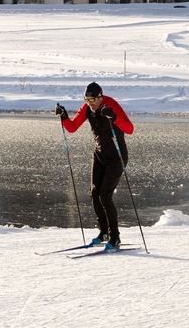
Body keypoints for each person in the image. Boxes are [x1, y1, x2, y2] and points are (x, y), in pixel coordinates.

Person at [55, 82, 134, 250]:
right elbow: (72, 127)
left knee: (105, 196)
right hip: (100, 155)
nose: (89, 103)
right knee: (94, 193)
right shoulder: (87, 108)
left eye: (92, 100)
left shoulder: (110, 104)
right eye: (87, 100)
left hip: (117, 157)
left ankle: (115, 237)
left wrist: (114, 117)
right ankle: (103, 232)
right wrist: (63, 116)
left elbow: (130, 129)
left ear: (100, 96)